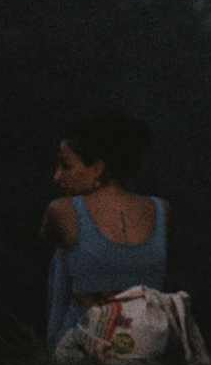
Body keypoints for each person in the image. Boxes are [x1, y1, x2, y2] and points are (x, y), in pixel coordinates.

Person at [42, 110, 168, 349]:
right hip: (146, 344)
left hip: (86, 348)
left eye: (66, 166)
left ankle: (54, 349)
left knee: (63, 253)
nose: (57, 176)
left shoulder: (60, 210)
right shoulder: (161, 209)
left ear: (98, 168)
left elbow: (44, 234)